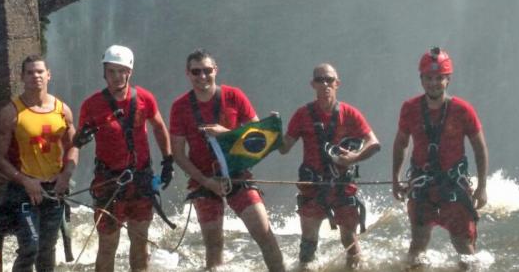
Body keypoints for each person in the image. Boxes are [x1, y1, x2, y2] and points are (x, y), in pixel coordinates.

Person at [169, 49, 285, 272]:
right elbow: (178, 154)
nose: (202, 76)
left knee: (264, 233)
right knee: (214, 245)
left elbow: (258, 136)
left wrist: (226, 133)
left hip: (238, 175)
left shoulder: (234, 96)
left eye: (207, 70)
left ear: (216, 70)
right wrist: (207, 182)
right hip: (203, 181)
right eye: (196, 72)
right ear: (188, 74)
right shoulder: (180, 106)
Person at [76, 45, 173, 272]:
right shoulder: (91, 105)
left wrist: (168, 160)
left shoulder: (144, 99)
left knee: (140, 242)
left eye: (122, 71)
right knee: (108, 245)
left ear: (130, 71)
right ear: (104, 72)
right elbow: (77, 140)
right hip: (108, 182)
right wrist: (80, 139)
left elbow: (159, 127)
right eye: (112, 71)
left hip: (140, 179)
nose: (117, 76)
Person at [392, 47, 489, 269]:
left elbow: (479, 148)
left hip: (453, 184)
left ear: (448, 80)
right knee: (418, 242)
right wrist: (396, 179)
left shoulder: (463, 110)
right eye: (428, 78)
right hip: (422, 183)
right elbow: (401, 143)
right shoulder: (409, 109)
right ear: (421, 79)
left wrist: (482, 187)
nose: (433, 83)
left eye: (439, 78)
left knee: (463, 244)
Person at [279, 63, 381, 269]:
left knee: (350, 241)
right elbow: (284, 148)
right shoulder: (302, 114)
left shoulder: (350, 113)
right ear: (312, 84)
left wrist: (353, 158)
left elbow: (374, 143)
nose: (325, 84)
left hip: (342, 185)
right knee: (308, 242)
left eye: (329, 80)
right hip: (312, 186)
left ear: (337, 84)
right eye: (320, 80)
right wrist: (270, 132)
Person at [0, 55, 77, 272]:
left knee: (48, 249)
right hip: (24, 191)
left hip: (54, 190)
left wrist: (65, 176)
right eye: (29, 72)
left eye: (39, 71)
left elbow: (73, 146)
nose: (35, 76)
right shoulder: (10, 112)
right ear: (22, 77)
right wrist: (25, 182)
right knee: (31, 246)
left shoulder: (62, 110)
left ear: (48, 74)